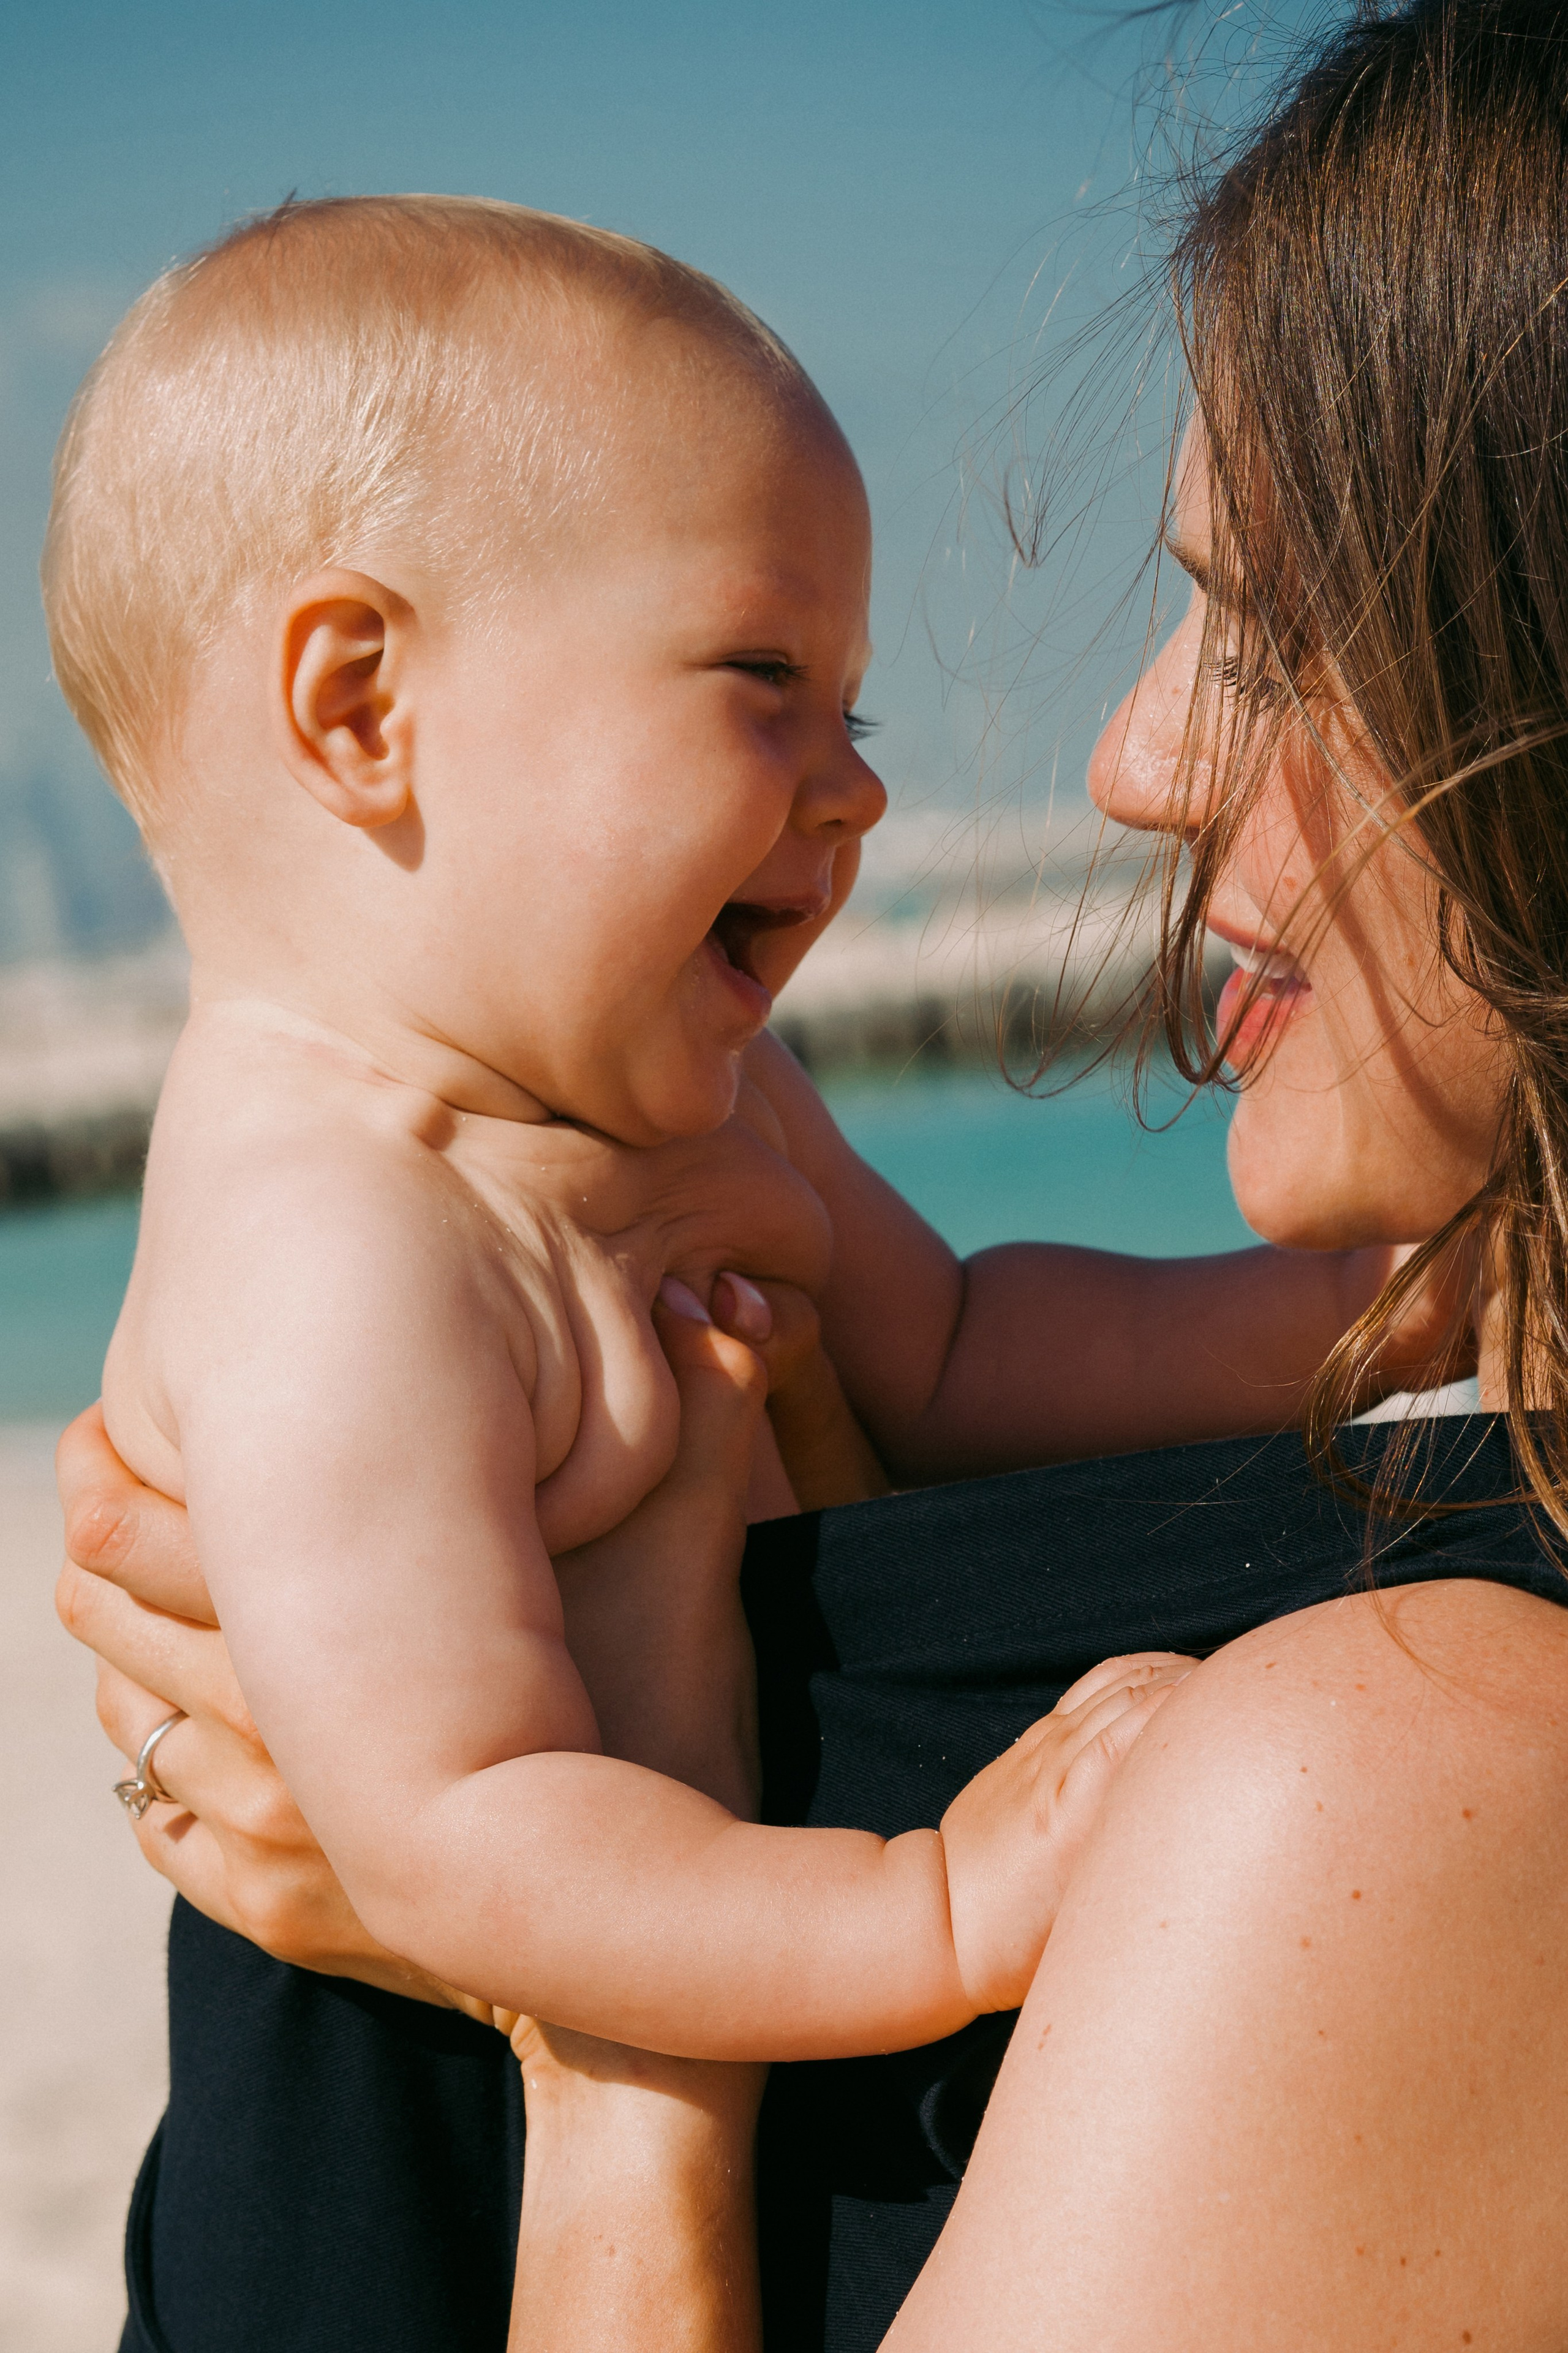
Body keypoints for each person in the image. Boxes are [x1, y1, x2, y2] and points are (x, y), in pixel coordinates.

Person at [56, 1, 1568, 2344]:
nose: (1107, 757)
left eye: (1272, 635)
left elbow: (972, 1341)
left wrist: (1389, 1309)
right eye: (766, 682)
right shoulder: (322, 1243)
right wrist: (932, 1908)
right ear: (360, 709)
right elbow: (458, 1831)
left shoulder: (696, 1113)